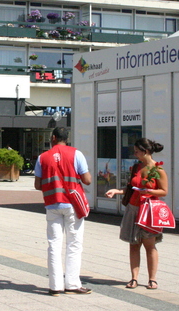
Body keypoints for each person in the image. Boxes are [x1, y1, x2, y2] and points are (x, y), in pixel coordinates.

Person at [34, 127, 92, 296]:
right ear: (66, 138)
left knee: (54, 244)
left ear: (53, 138)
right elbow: (87, 180)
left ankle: (55, 286)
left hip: (52, 204)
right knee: (74, 244)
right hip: (72, 204)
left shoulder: (42, 157)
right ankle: (72, 284)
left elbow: (38, 185)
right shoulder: (76, 154)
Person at [106, 138, 168, 290]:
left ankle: (152, 279)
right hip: (133, 208)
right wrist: (117, 191)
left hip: (148, 210)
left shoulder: (158, 169)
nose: (134, 154)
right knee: (133, 244)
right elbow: (131, 187)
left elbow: (164, 191)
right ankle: (134, 278)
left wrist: (150, 191)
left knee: (150, 245)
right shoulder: (136, 168)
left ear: (145, 151)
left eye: (136, 151)